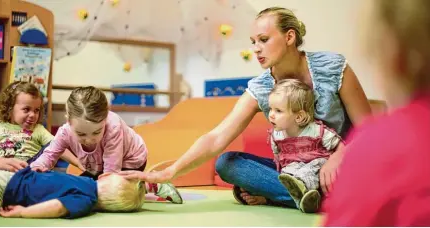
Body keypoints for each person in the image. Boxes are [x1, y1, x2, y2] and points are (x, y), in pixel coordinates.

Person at [120, 6, 372, 208]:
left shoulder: (332, 66)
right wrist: (170, 172)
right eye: (253, 41)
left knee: (369, 172)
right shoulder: (261, 87)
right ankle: (306, 196)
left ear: (289, 37)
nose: (256, 49)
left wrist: (339, 157)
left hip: (345, 162)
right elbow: (217, 137)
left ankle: (284, 195)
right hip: (295, 169)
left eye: (263, 40)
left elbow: (369, 130)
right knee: (227, 163)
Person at [323, 0, 430, 226]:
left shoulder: (387, 142)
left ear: (396, 56)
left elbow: (362, 130)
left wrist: (342, 154)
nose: (257, 48)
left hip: (329, 164)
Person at [30, 86, 183, 204]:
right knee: (77, 188)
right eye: (82, 134)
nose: (89, 140)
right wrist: (35, 169)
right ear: (68, 121)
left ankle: (149, 186)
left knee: (111, 196)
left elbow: (111, 173)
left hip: (130, 162)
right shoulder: (65, 132)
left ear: (105, 119)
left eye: (96, 132)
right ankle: (137, 186)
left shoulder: (113, 127)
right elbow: (49, 155)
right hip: (98, 166)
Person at [0, 81, 81, 180]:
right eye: (26, 109)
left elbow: (60, 148)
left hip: (29, 170)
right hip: (2, 170)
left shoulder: (38, 129)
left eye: (36, 110)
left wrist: (78, 163)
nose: (32, 115)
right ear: (10, 108)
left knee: (53, 144)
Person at [260, 79, 343, 213]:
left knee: (313, 167)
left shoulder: (316, 131)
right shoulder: (276, 135)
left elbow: (340, 147)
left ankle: (301, 193)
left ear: (298, 117)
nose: (271, 115)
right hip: (291, 169)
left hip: (317, 166)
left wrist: (333, 163)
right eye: (271, 109)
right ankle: (307, 199)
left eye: (278, 111)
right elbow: (278, 159)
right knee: (286, 174)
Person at [0, 167, 145, 218]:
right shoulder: (86, 200)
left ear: (104, 176)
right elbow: (58, 207)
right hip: (3, 192)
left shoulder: (85, 180)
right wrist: (23, 212)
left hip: (5, 176)